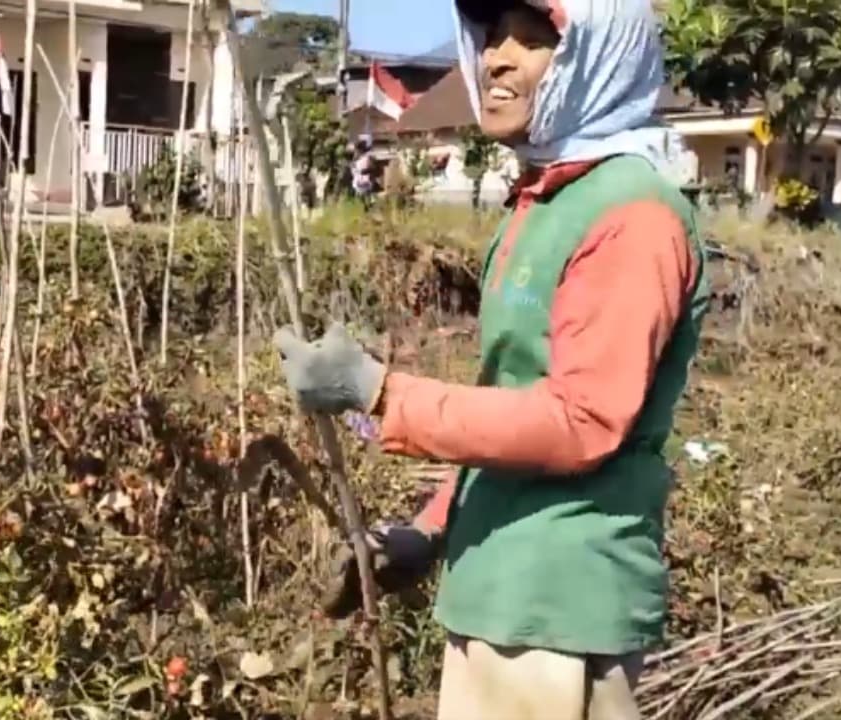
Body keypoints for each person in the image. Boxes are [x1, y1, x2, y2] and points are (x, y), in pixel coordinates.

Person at [272, 1, 710, 718]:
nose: (497, 58)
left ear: (600, 59)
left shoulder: (633, 216)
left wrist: (379, 390)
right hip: (503, 596)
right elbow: (515, 396)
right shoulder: (543, 201)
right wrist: (432, 528)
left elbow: (579, 420)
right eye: (494, 36)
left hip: (555, 613)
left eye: (534, 40)